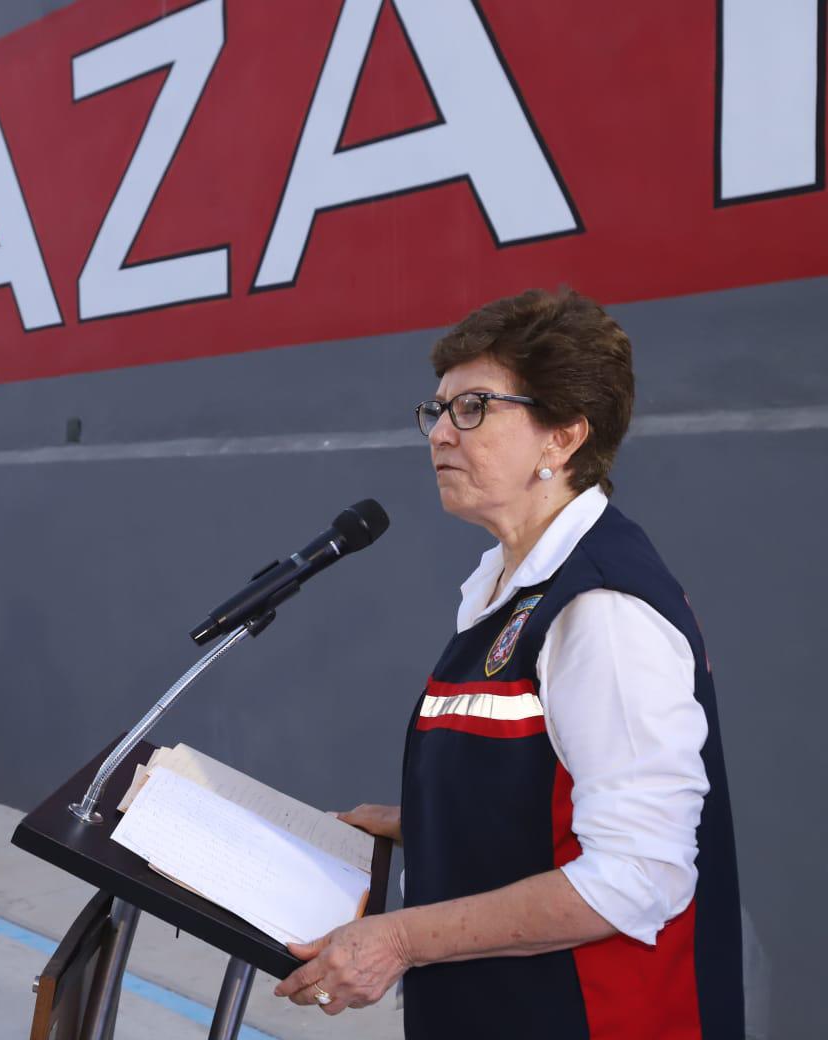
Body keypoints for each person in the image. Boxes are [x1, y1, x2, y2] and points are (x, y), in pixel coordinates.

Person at [274, 290, 741, 1037]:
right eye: (437, 411)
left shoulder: (603, 609)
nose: (440, 435)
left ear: (562, 437)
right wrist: (425, 822)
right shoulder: (512, 585)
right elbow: (547, 790)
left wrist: (396, 938)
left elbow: (639, 875)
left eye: (473, 409)